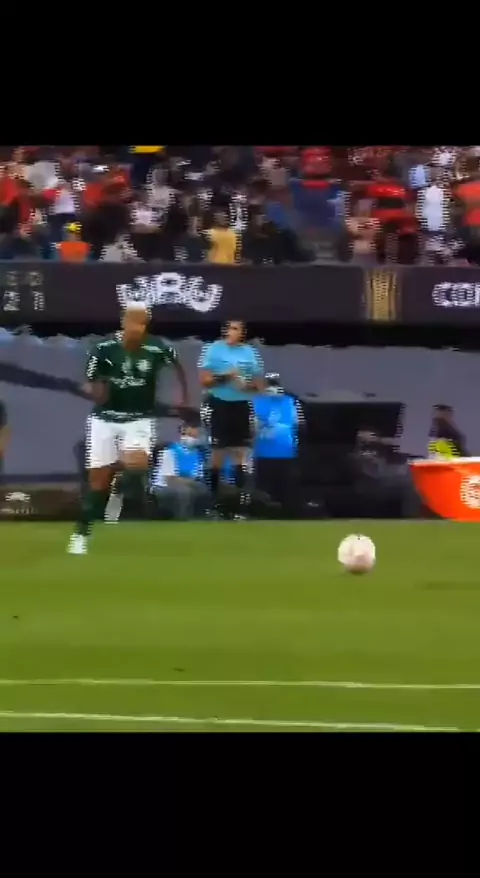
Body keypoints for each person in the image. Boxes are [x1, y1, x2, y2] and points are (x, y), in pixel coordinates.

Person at [68, 302, 188, 554]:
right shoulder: (103, 349)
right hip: (104, 419)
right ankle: (81, 533)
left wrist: (182, 396)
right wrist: (95, 390)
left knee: (138, 463)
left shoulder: (157, 347)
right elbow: (92, 381)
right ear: (124, 322)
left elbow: (178, 367)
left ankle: (119, 481)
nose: (137, 328)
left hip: (138, 419)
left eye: (142, 323)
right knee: (97, 484)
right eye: (133, 322)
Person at [198, 320, 264, 518]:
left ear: (242, 333)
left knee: (240, 454)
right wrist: (226, 377)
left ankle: (239, 507)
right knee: (217, 454)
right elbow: (205, 381)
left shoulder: (250, 353)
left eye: (235, 328)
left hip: (241, 405)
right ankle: (213, 504)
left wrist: (246, 386)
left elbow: (259, 386)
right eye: (228, 328)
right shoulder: (213, 350)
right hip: (218, 404)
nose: (230, 331)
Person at [253, 373, 303, 516]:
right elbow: (252, 425)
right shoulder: (257, 401)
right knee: (268, 486)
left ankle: (284, 513)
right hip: (267, 452)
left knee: (283, 486)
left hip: (283, 451)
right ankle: (266, 513)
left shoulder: (290, 401)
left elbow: (298, 423)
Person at [151, 420, 210, 519]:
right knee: (184, 491)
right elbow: (170, 480)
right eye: (188, 435)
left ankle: (201, 517)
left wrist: (193, 482)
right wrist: (190, 482)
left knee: (202, 489)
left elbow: (197, 477)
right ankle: (181, 518)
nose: (192, 438)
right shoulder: (170, 452)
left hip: (185, 483)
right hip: (163, 486)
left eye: (194, 436)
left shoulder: (197, 454)